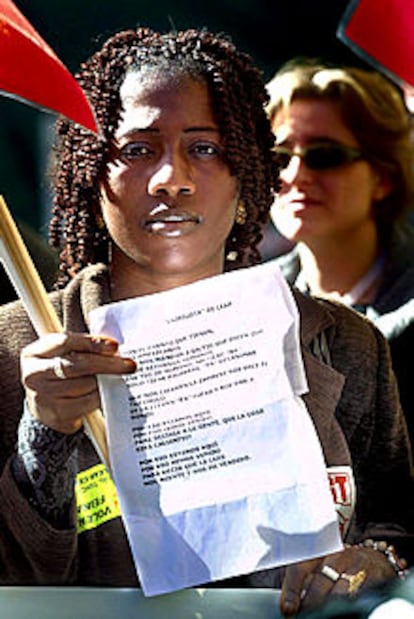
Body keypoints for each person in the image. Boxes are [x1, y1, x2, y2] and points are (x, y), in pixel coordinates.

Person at [0, 27, 412, 618]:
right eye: (137, 149)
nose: (172, 178)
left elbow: (400, 530)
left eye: (206, 147)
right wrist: (42, 440)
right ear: (90, 175)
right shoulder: (14, 350)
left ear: (248, 175)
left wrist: (376, 561)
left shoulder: (346, 345)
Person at [265, 60, 414, 443]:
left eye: (325, 155)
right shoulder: (249, 302)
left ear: (383, 177)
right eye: (278, 159)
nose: (294, 176)